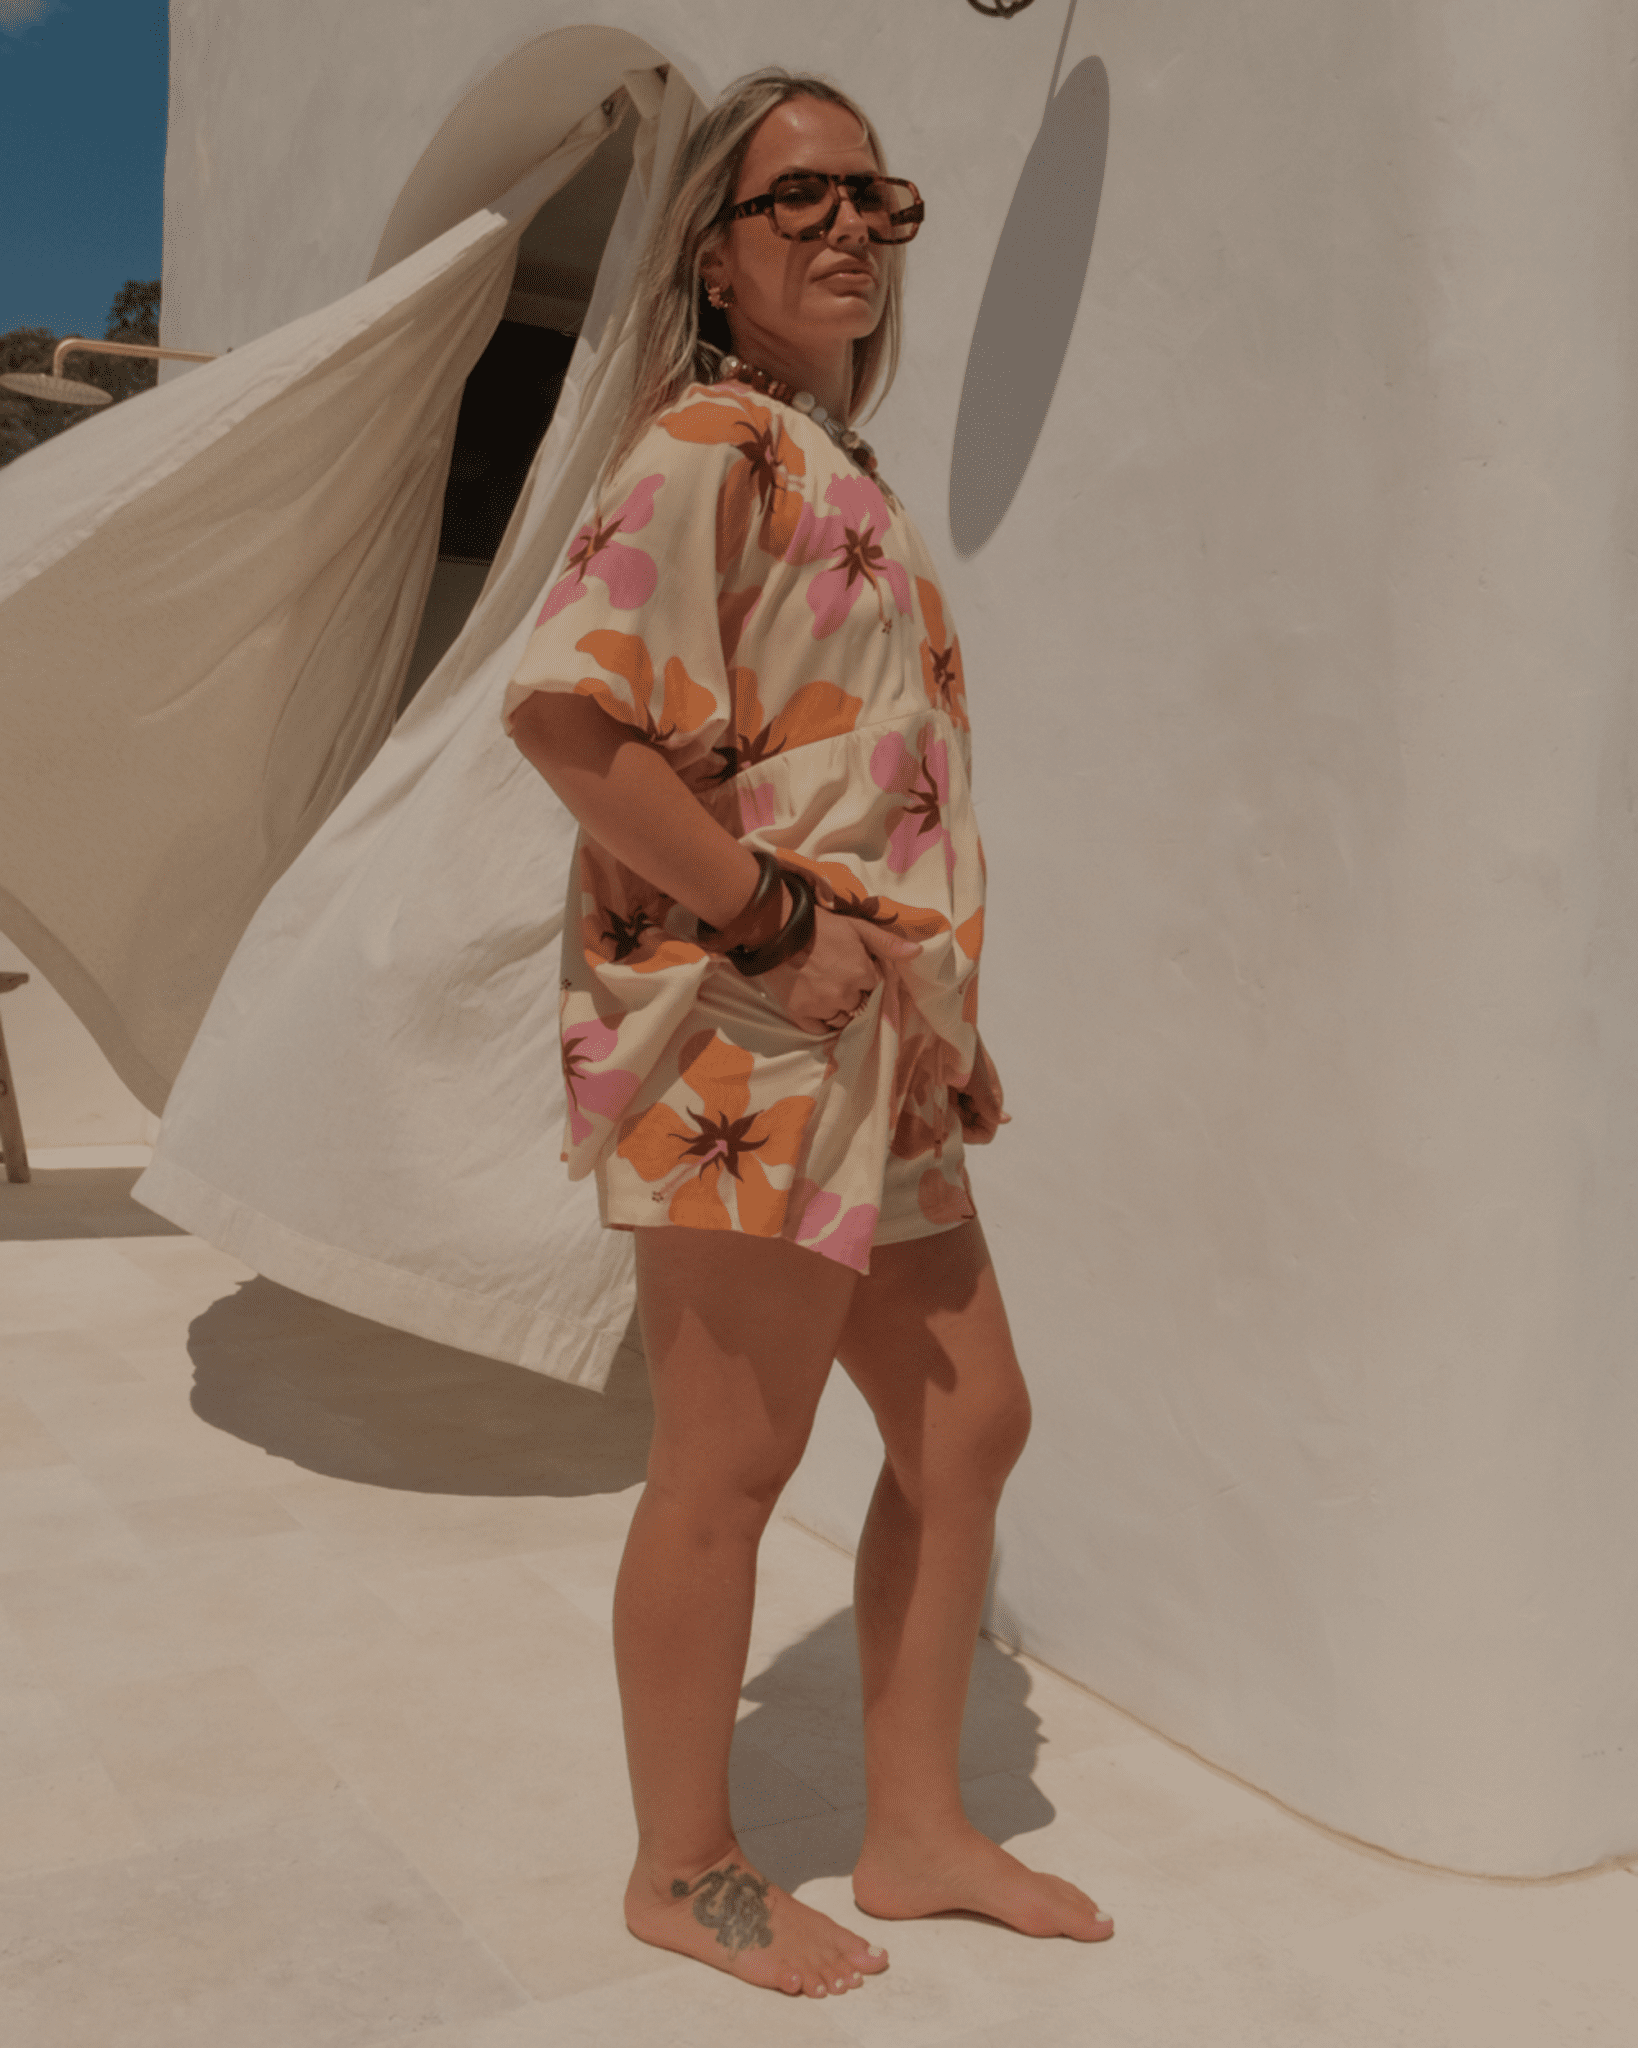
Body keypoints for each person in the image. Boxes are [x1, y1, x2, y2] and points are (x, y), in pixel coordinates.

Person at [504, 67, 1113, 2002]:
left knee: (967, 1423)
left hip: (875, 1037)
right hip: (747, 1033)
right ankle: (682, 1868)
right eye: (801, 197)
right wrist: (774, 923)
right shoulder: (708, 442)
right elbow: (568, 718)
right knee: (729, 1464)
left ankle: (916, 1828)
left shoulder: (825, 455)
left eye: (878, 196)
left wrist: (938, 1011)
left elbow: (855, 775)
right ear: (713, 250)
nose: (851, 223)